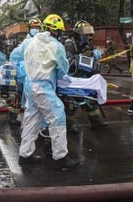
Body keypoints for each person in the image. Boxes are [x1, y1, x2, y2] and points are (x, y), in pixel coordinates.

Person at [18, 14, 79, 171]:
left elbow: (22, 60)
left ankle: (25, 155)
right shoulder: (56, 46)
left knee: (31, 119)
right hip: (43, 88)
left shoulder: (30, 42)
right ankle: (61, 157)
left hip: (29, 86)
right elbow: (63, 69)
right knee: (57, 116)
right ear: (57, 31)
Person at [9, 17, 42, 127]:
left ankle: (33, 123)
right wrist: (20, 69)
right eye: (33, 27)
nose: (35, 29)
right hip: (25, 76)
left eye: (37, 27)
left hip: (38, 76)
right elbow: (14, 56)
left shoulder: (43, 42)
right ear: (29, 29)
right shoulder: (26, 43)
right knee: (18, 96)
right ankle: (13, 118)